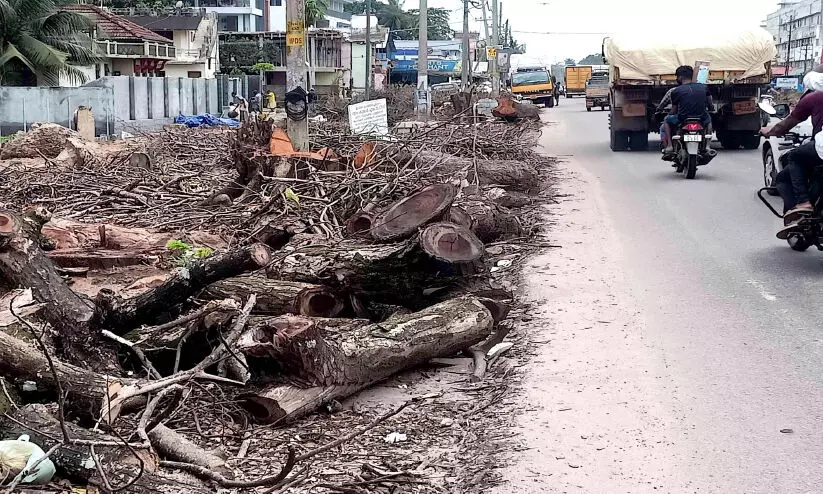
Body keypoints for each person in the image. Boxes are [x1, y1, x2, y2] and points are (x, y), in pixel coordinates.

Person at [761, 65, 823, 239]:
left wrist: (769, 131)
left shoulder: (814, 97)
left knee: (795, 157)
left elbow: (787, 124)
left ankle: (803, 203)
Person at [662, 65, 713, 154]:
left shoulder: (676, 91)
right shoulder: (703, 87)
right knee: (709, 121)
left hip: (683, 118)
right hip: (701, 117)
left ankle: (670, 146)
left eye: (677, 77)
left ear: (680, 77)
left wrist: (668, 114)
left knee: (666, 120)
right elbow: (710, 100)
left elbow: (674, 110)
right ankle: (707, 145)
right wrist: (710, 107)